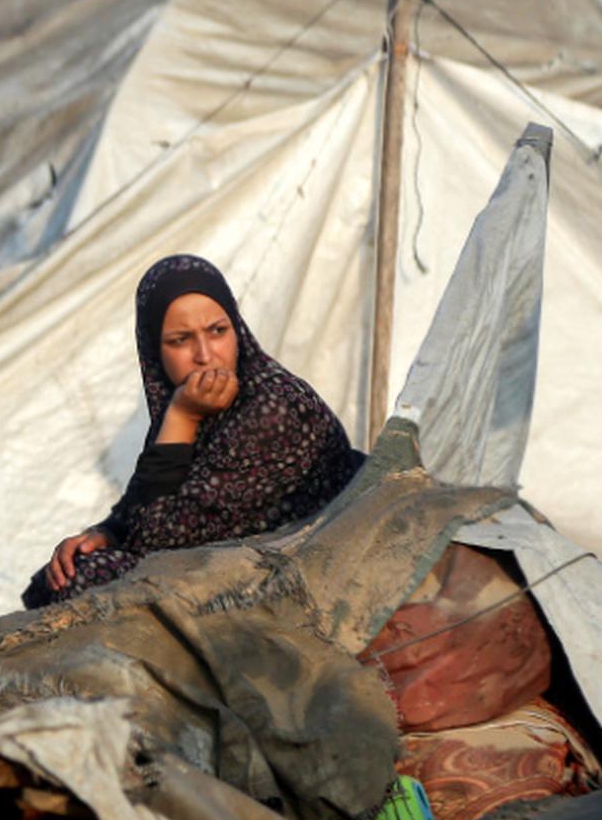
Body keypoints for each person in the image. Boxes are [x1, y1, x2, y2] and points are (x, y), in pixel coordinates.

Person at [23, 254, 360, 608]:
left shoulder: (273, 406)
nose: (205, 355)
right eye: (181, 340)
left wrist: (181, 417)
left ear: (237, 330)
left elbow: (157, 543)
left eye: (217, 331)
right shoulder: (193, 404)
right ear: (153, 352)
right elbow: (142, 506)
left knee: (90, 582)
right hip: (224, 565)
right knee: (69, 569)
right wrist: (105, 533)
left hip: (293, 584)